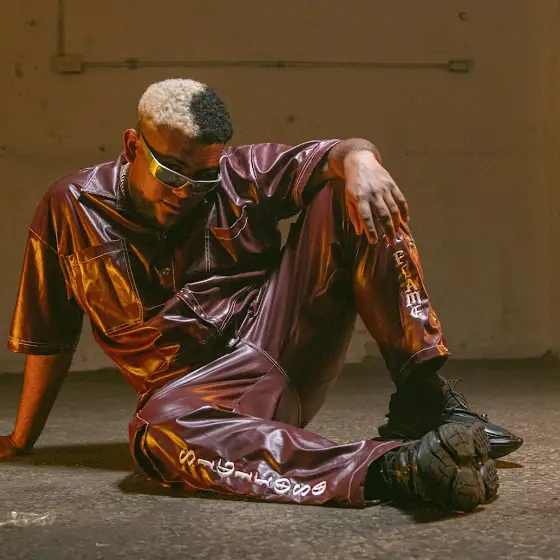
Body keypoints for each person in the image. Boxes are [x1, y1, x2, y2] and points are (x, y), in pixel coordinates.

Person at [0, 78, 521, 511]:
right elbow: (49, 335)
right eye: (172, 172)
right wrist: (23, 438)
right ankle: (392, 471)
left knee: (353, 193)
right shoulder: (68, 207)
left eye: (204, 178)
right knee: (155, 435)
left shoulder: (238, 172)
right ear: (133, 146)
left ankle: (423, 400)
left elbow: (334, 155)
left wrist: (362, 158)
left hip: (280, 344)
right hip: (194, 399)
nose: (186, 191)